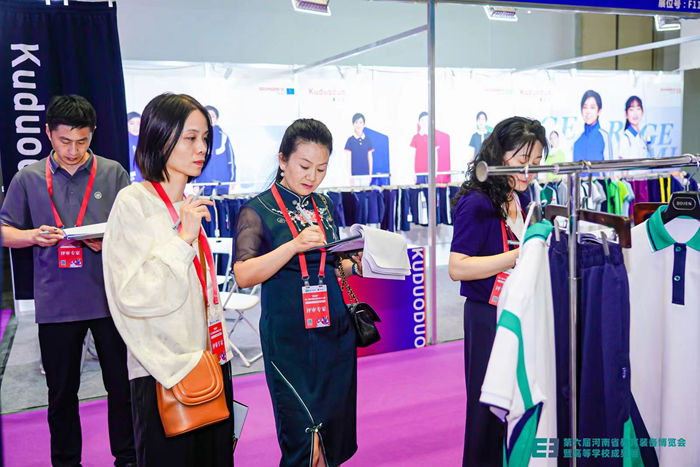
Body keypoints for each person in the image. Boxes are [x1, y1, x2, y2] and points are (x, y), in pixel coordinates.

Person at [0, 95, 135, 467]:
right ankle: (66, 462)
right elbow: (4, 230)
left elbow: (135, 230)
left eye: (82, 141)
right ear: (48, 133)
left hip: (110, 299)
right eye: (64, 141)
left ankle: (128, 459)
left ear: (93, 134)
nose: (73, 151)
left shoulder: (113, 173)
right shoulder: (28, 178)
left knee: (121, 389)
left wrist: (110, 239)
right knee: (61, 394)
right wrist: (32, 236)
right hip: (56, 302)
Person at [102, 93, 235, 466]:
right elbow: (131, 295)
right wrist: (182, 240)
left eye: (205, 138)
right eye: (190, 138)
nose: (202, 148)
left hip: (210, 360)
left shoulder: (187, 202)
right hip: (164, 372)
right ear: (160, 138)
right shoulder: (133, 203)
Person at [233, 119, 363, 467]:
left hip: (334, 331)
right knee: (304, 440)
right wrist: (291, 246)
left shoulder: (324, 204)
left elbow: (331, 264)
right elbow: (243, 274)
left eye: (321, 169)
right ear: (282, 160)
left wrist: (358, 265)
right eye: (304, 166)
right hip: (289, 339)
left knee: (331, 440)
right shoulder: (257, 210)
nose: (312, 177)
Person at [448, 116, 547, 467]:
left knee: (518, 398)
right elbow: (457, 267)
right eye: (522, 160)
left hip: (519, 310)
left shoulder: (523, 197)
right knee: (487, 406)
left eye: (536, 162)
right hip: (487, 316)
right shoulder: (477, 202)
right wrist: (519, 255)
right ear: (499, 155)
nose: (529, 171)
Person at [195, 105, 236, 194]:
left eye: (212, 116)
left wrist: (232, 180)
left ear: (217, 119)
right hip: (204, 180)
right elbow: (194, 160)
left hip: (223, 180)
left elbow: (231, 161)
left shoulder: (224, 137)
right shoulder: (198, 137)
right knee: (204, 202)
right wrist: (195, 183)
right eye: (207, 116)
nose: (210, 118)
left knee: (222, 202)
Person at [573, 90, 612, 162]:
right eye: (585, 107)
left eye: (592, 107)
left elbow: (610, 167)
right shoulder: (577, 140)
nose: (588, 111)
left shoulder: (604, 137)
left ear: (599, 111)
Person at [344, 112, 374, 187]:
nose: (358, 125)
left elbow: (370, 158)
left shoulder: (367, 140)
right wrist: (350, 176)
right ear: (353, 124)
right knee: (355, 193)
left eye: (360, 122)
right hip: (354, 176)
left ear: (364, 124)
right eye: (356, 122)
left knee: (365, 193)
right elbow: (348, 160)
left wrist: (370, 175)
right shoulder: (350, 140)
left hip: (365, 175)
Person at [617, 96, 650, 160]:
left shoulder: (641, 138)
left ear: (642, 112)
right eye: (631, 110)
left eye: (638, 109)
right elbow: (623, 165)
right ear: (626, 114)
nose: (635, 113)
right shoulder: (625, 138)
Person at [127, 111, 144, 182]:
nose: (136, 127)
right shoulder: (123, 140)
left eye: (139, 124)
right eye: (132, 123)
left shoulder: (146, 140)